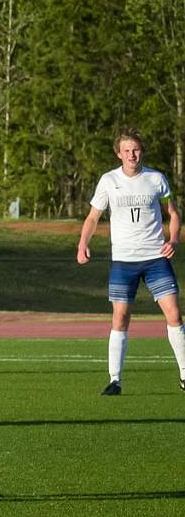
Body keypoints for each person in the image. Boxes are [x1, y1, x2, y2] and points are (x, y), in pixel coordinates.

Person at [77, 128, 185, 395]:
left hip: (155, 258)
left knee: (174, 314)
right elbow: (93, 217)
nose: (131, 154)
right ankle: (115, 380)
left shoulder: (156, 179)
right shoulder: (108, 181)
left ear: (141, 151)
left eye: (135, 149)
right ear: (119, 154)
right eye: (126, 150)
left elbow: (172, 213)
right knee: (120, 318)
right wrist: (82, 244)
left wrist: (173, 240)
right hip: (123, 261)